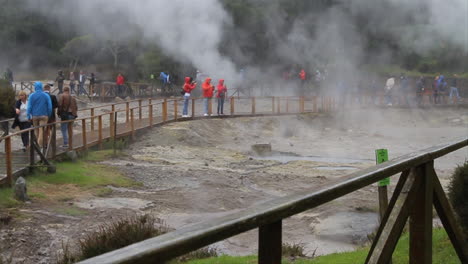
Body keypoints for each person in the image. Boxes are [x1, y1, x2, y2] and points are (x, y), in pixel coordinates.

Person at [27, 82, 52, 147]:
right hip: (44, 115)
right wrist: (48, 115)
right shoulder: (46, 95)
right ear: (41, 87)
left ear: (35, 87)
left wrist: (28, 116)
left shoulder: (31, 95)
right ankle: (40, 147)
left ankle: (38, 146)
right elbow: (50, 107)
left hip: (34, 116)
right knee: (42, 131)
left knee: (36, 131)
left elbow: (29, 107)